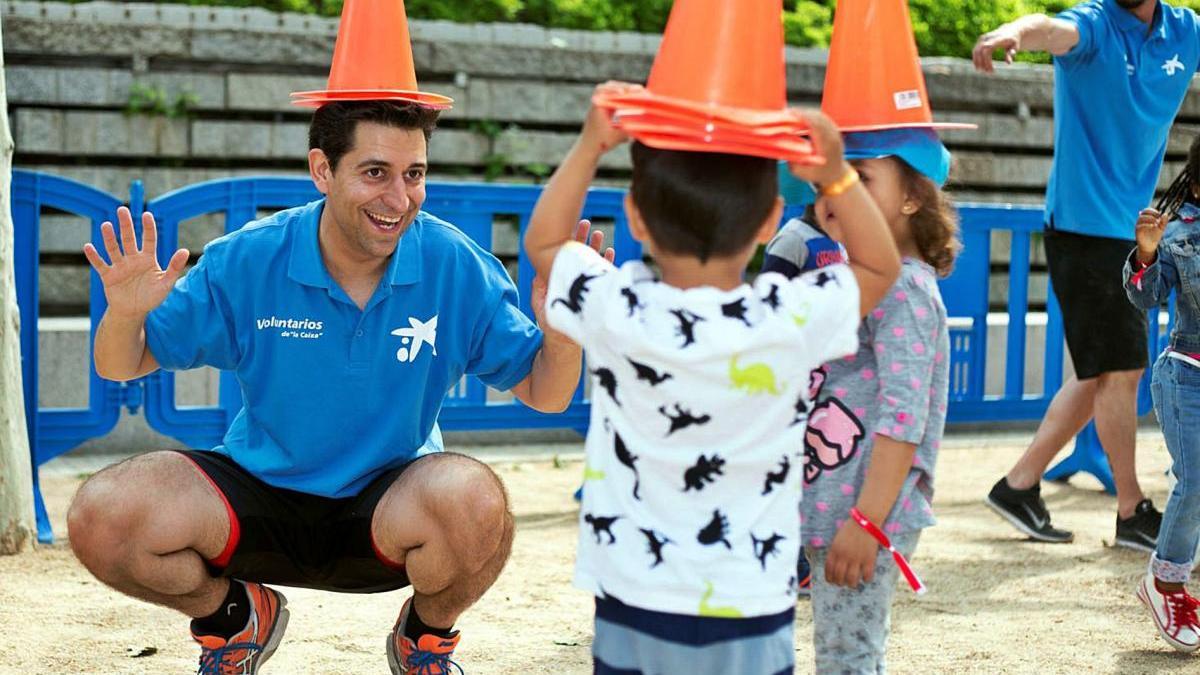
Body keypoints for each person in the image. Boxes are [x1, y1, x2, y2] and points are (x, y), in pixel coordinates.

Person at [67, 100, 609, 675]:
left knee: (477, 502)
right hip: (257, 495)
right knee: (101, 514)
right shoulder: (252, 256)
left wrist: (564, 339)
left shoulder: (453, 262)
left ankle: (423, 639)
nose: (399, 199)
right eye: (375, 172)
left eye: (414, 174)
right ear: (322, 170)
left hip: (388, 508)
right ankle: (234, 619)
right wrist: (123, 315)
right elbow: (122, 365)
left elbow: (545, 392)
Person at [524, 81, 901, 674]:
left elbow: (544, 240)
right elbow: (881, 266)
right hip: (751, 599)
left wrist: (591, 146)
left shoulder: (617, 307)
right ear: (769, 222)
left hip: (631, 595)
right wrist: (837, 177)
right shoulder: (786, 317)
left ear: (635, 218)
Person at [974, 0, 1200, 549]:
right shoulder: (1094, 25)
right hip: (1083, 227)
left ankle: (1018, 485)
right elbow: (1049, 30)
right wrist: (1013, 31)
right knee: (1121, 372)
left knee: (1097, 373)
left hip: (1130, 227)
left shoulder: (1184, 31)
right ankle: (1131, 510)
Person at [765, 128, 957, 672]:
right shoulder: (850, 283)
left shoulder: (907, 293)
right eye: (827, 182)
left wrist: (869, 523)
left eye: (857, 179)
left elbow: (903, 420)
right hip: (833, 506)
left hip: (865, 514)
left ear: (912, 197)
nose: (832, 195)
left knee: (848, 656)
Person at [1125, 135, 1200, 652]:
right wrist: (1146, 254)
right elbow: (1145, 298)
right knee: (1197, 478)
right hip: (1185, 376)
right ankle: (1165, 580)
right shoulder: (1179, 238)